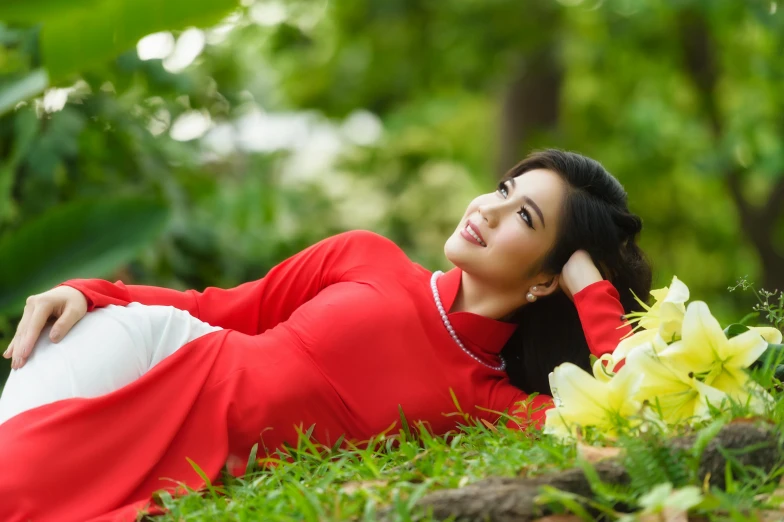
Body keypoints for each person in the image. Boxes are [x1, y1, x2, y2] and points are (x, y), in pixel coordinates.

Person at [0, 149, 651, 522]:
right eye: (503, 189)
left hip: (196, 462)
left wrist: (588, 282)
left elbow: (626, 416)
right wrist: (92, 291)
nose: (488, 207)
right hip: (152, 356)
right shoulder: (364, 255)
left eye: (523, 216)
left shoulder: (482, 399)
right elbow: (221, 307)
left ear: (544, 281)